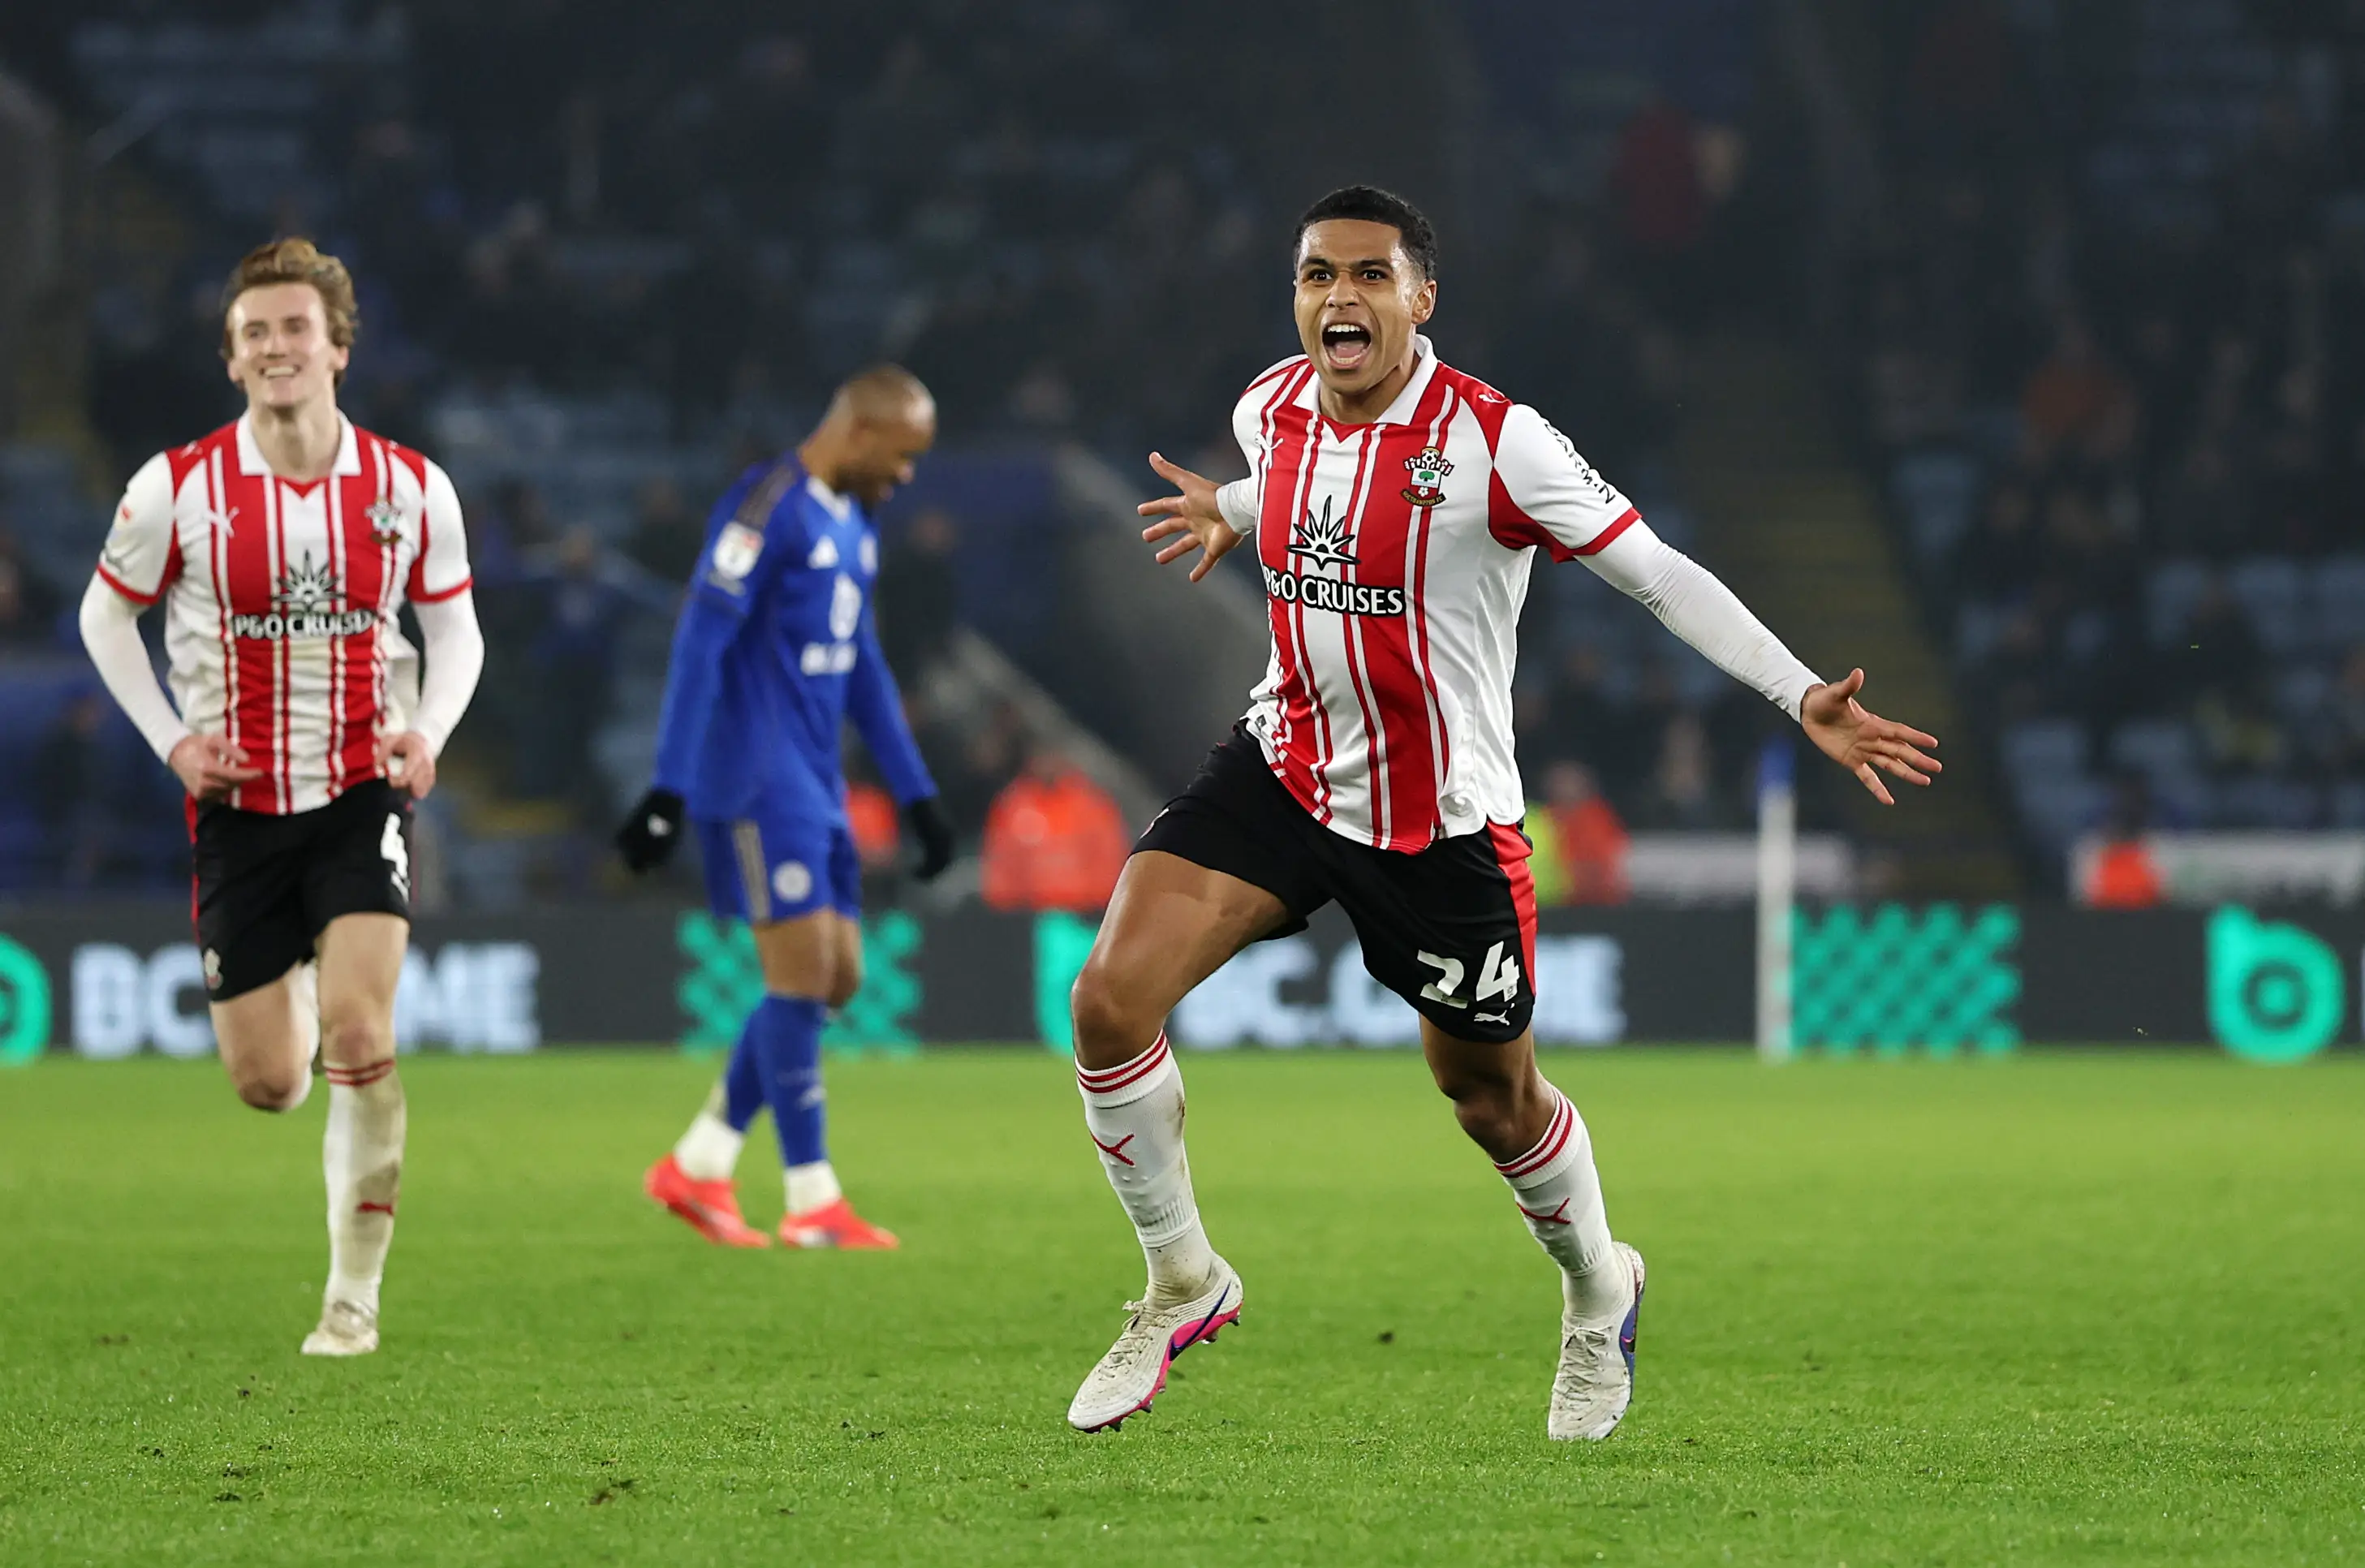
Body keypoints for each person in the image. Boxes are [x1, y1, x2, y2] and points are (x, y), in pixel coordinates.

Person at [1066, 187, 1941, 1440]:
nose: (1340, 297)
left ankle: (1598, 1287)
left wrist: (1799, 694)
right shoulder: (1268, 406)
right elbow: (1292, 489)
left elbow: (1654, 574)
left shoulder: (1496, 442)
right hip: (1284, 769)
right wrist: (1230, 510)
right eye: (1318, 275)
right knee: (1107, 1002)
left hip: (1442, 826)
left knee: (1487, 1095)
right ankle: (1181, 1282)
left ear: (1422, 298)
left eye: (1371, 275)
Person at [76, 238, 485, 1356]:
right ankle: (294, 990)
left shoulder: (409, 488)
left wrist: (428, 732)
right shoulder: (178, 489)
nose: (276, 347)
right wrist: (172, 742)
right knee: (271, 1085)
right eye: (254, 332)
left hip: (359, 790)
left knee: (363, 1033)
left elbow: (454, 630)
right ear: (231, 357)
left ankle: (351, 1301)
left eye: (295, 327)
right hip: (240, 808)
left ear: (338, 349)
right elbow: (103, 618)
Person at [618, 365, 957, 1251]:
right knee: (802, 977)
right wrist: (667, 786)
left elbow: (865, 664)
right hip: (755, 778)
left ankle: (698, 1163)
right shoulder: (767, 506)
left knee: (835, 977)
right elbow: (700, 639)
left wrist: (916, 794)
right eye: (904, 455)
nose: (909, 475)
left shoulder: (856, 518)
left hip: (816, 781)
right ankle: (812, 1199)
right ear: (859, 431)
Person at [980, 743, 1132, 912]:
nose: (1047, 764)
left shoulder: (1092, 805)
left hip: (1086, 915)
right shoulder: (1013, 806)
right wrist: (1006, 906)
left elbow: (1110, 859)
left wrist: (1099, 903)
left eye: (1052, 756)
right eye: (1041, 757)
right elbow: (1001, 865)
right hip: (1031, 916)